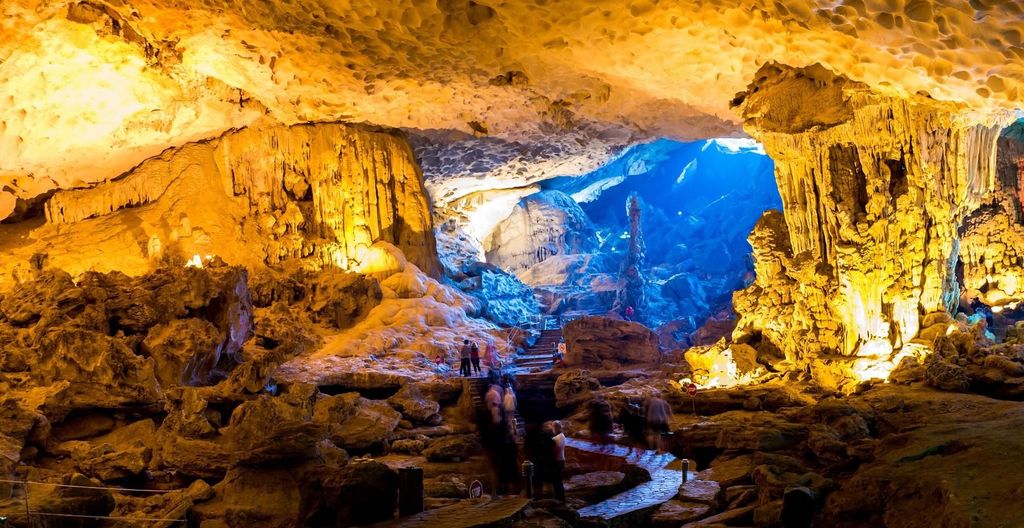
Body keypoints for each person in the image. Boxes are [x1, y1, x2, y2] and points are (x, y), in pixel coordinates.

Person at [548, 420, 566, 502]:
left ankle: (559, 499)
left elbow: (554, 449)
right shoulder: (562, 436)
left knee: (557, 482)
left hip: (557, 461)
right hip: (561, 459)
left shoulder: (556, 438)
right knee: (559, 481)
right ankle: (561, 498)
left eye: (553, 427)